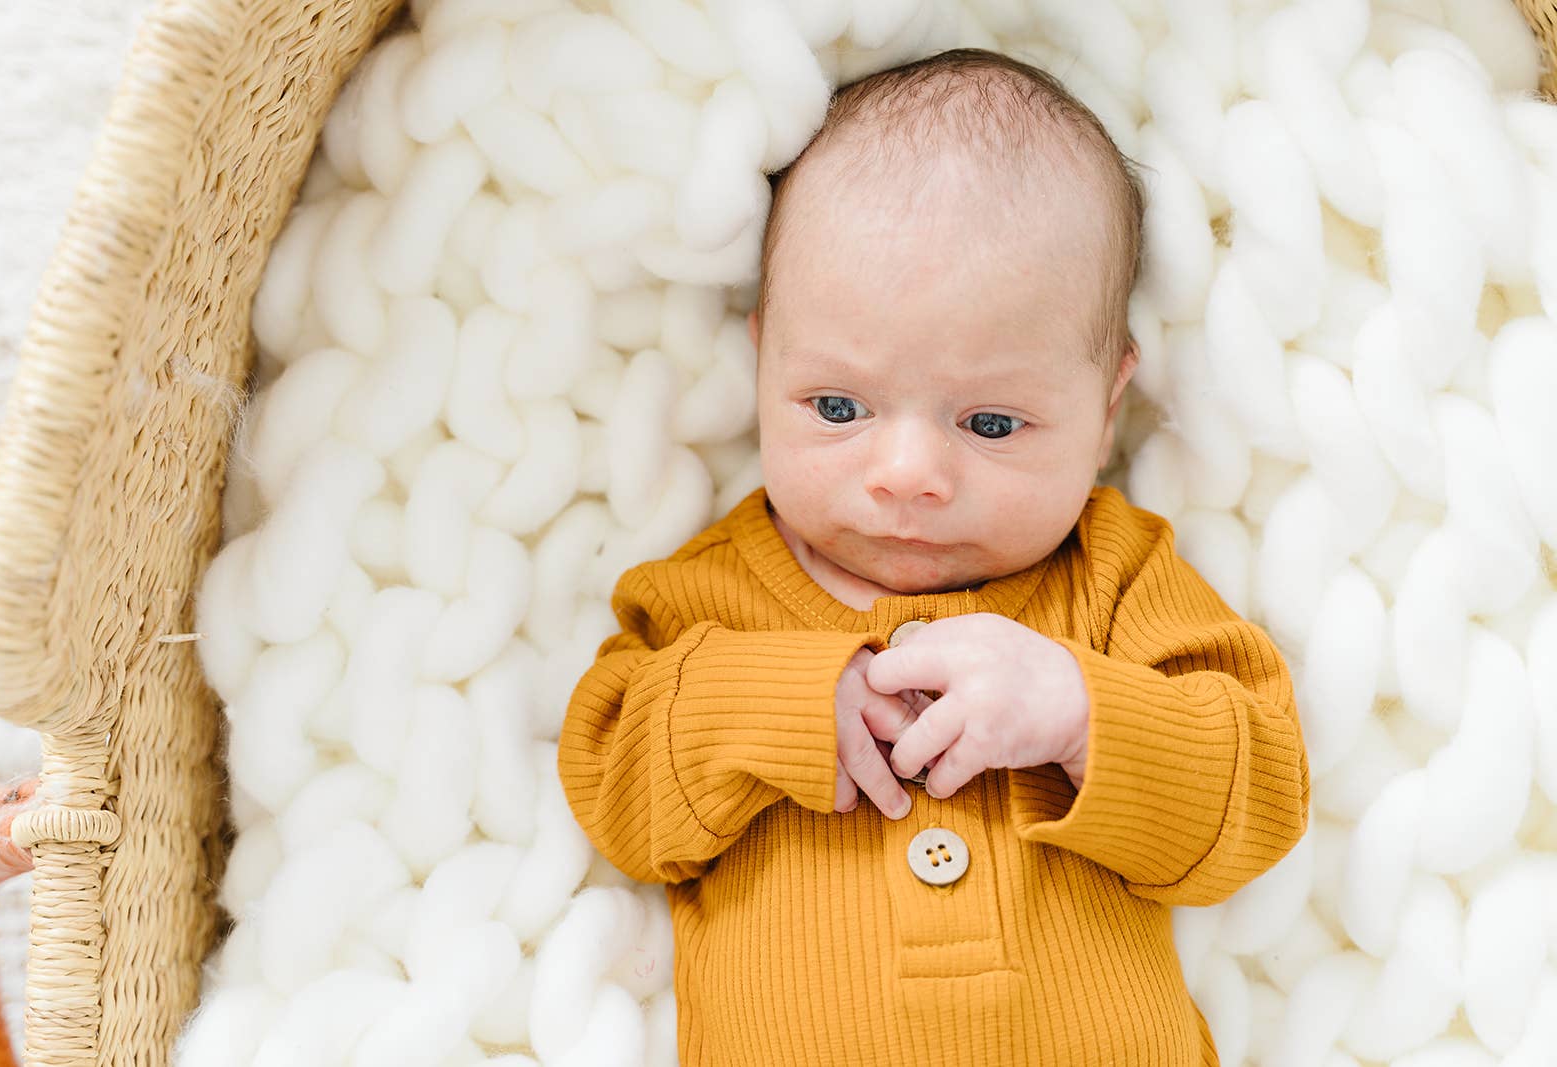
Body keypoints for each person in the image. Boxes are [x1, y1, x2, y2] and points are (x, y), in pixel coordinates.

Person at [558, 47, 1309, 1067]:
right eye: (837, 407)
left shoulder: (1115, 575)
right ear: (758, 356)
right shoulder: (716, 593)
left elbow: (1257, 793)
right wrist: (773, 705)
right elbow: (615, 786)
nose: (907, 472)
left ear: (1105, 412)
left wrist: (1080, 709)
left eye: (990, 422)